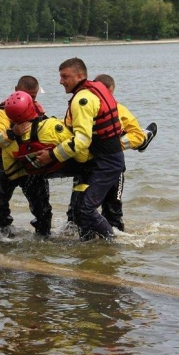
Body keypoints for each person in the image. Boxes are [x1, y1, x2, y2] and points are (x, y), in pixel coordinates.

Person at [34, 58, 125, 241]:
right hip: (97, 160)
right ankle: (89, 243)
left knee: (86, 209)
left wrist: (51, 155)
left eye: (65, 76)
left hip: (106, 164)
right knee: (79, 209)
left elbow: (82, 140)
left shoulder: (82, 99)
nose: (61, 81)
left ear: (80, 76)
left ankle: (113, 243)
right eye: (60, 76)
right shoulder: (91, 92)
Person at [0, 76, 52, 237]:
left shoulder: (38, 109)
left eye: (33, 97)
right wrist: (12, 133)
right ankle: (3, 233)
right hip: (9, 162)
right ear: (16, 91)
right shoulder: (2, 113)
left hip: (33, 163)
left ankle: (44, 236)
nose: (29, 100)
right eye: (26, 96)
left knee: (41, 205)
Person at [90, 74, 157, 231]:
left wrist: (112, 145)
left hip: (111, 163)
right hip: (91, 164)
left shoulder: (119, 109)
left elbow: (135, 135)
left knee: (112, 211)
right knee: (80, 211)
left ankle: (112, 245)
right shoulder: (84, 106)